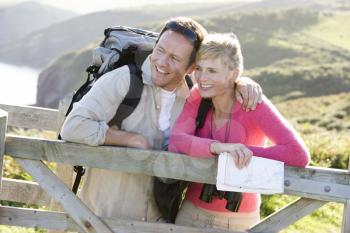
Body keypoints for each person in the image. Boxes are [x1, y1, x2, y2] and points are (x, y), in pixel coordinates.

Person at [60, 18, 262, 222]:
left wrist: (241, 83)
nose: (162, 62)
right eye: (160, 50)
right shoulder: (124, 79)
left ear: (192, 67)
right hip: (104, 220)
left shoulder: (196, 99)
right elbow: (73, 127)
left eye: (175, 58)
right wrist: (129, 139)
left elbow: (223, 85)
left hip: (160, 224)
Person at [168, 33, 310, 231]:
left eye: (212, 70)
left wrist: (243, 152)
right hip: (191, 211)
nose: (202, 78)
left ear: (233, 74)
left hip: (237, 220)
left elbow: (298, 154)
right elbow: (176, 141)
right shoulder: (197, 97)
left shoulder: (253, 104)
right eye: (199, 69)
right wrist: (220, 148)